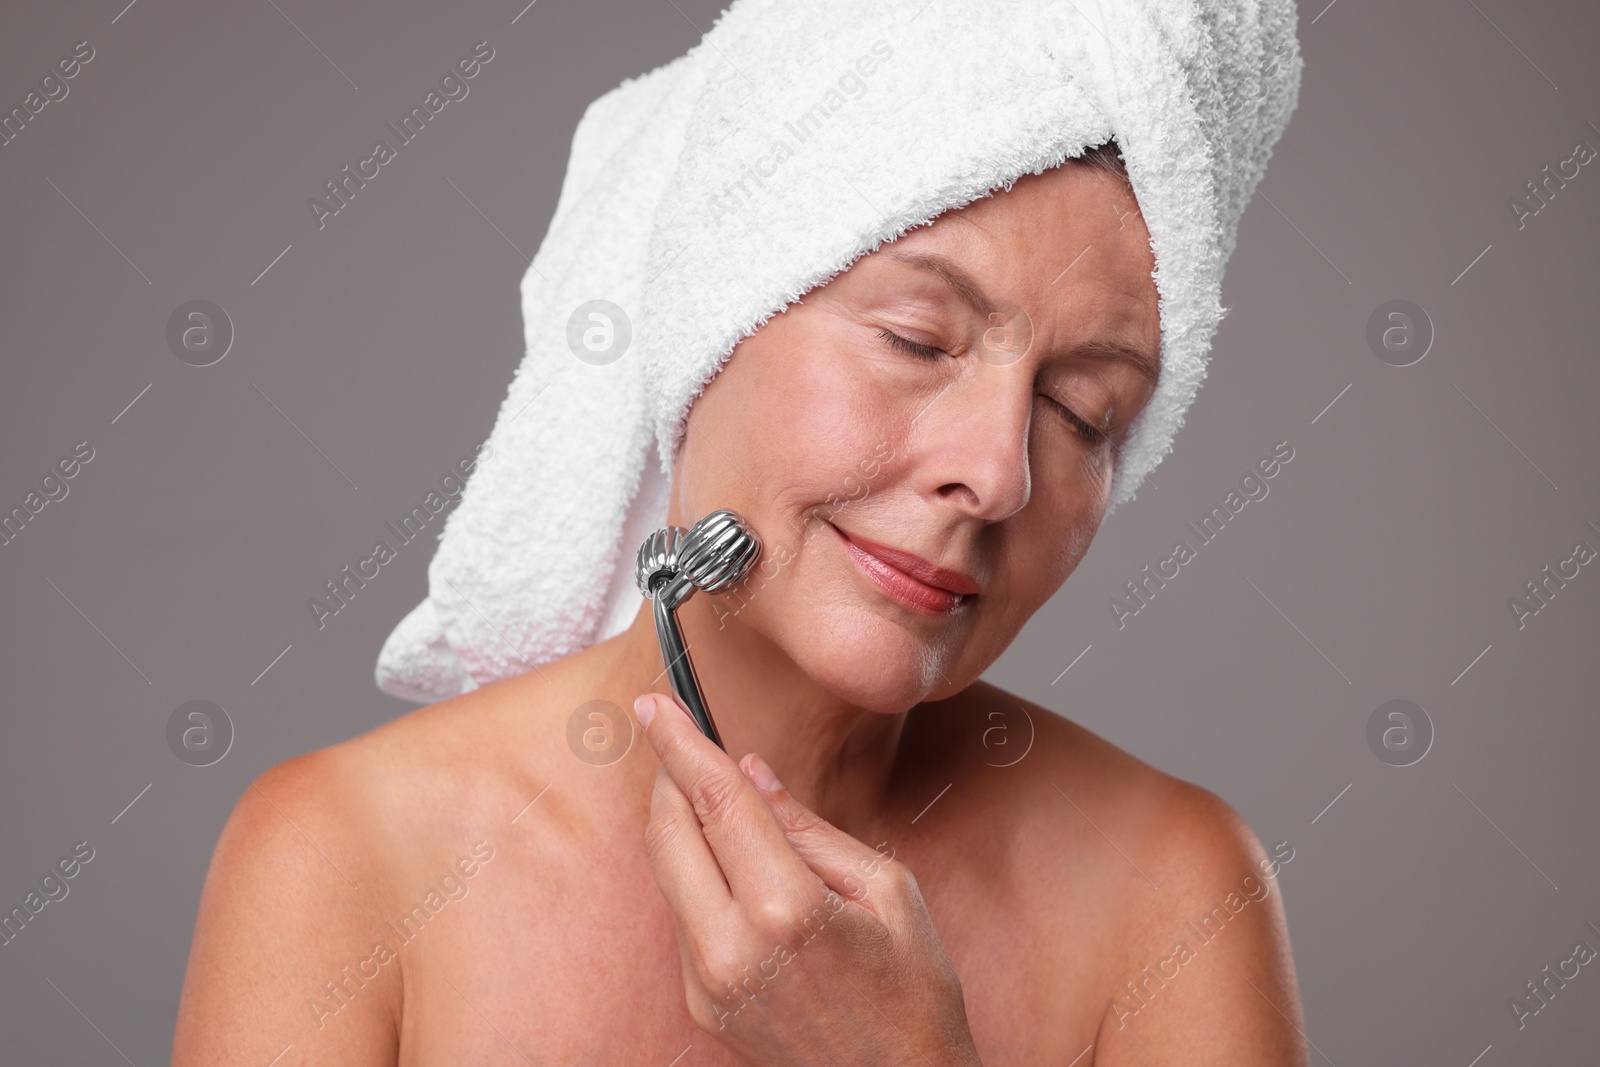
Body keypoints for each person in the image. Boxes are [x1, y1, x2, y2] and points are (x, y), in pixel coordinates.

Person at [172, 140, 1308, 1063]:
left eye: (1082, 414)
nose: (998, 471)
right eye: (916, 339)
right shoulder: (348, 859)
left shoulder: (1169, 889)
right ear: (707, 320)